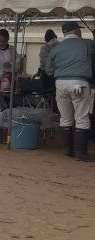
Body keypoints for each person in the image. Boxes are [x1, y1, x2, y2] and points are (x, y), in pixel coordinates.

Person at [45, 21, 95, 161]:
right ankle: (81, 153)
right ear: (76, 31)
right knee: (81, 118)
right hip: (79, 83)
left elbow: (48, 70)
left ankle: (67, 151)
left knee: (65, 117)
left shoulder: (56, 48)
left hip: (61, 84)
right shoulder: (87, 44)